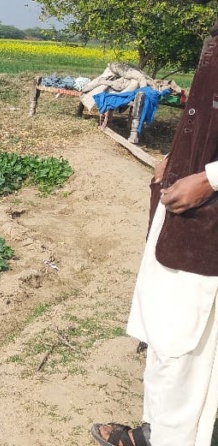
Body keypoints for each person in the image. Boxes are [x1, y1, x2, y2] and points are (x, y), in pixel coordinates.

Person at [91, 2, 218, 445]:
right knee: (165, 330)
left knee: (188, 343)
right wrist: (178, 154)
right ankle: (154, 431)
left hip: (208, 217)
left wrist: (211, 178)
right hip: (187, 203)